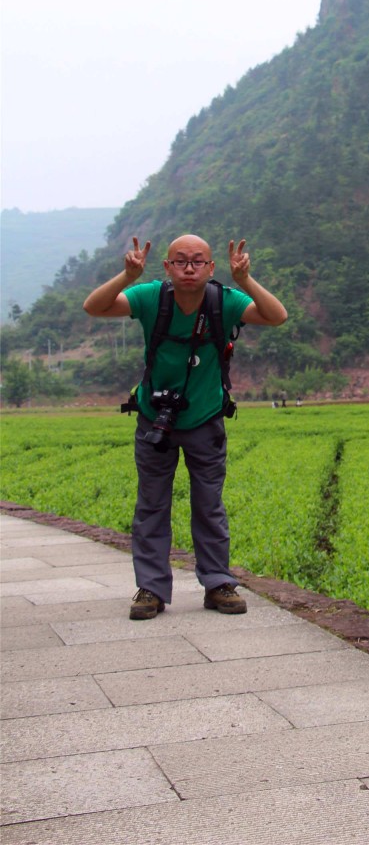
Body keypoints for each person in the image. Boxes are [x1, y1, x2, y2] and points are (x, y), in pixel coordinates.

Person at [83, 234, 287, 620]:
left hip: (205, 419)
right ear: (167, 267)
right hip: (154, 418)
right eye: (180, 261)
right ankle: (151, 589)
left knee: (209, 505)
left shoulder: (224, 300)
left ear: (211, 268)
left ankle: (218, 583)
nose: (189, 268)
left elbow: (277, 316)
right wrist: (127, 276)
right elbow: (94, 307)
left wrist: (245, 280)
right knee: (151, 505)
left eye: (197, 261)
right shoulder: (150, 297)